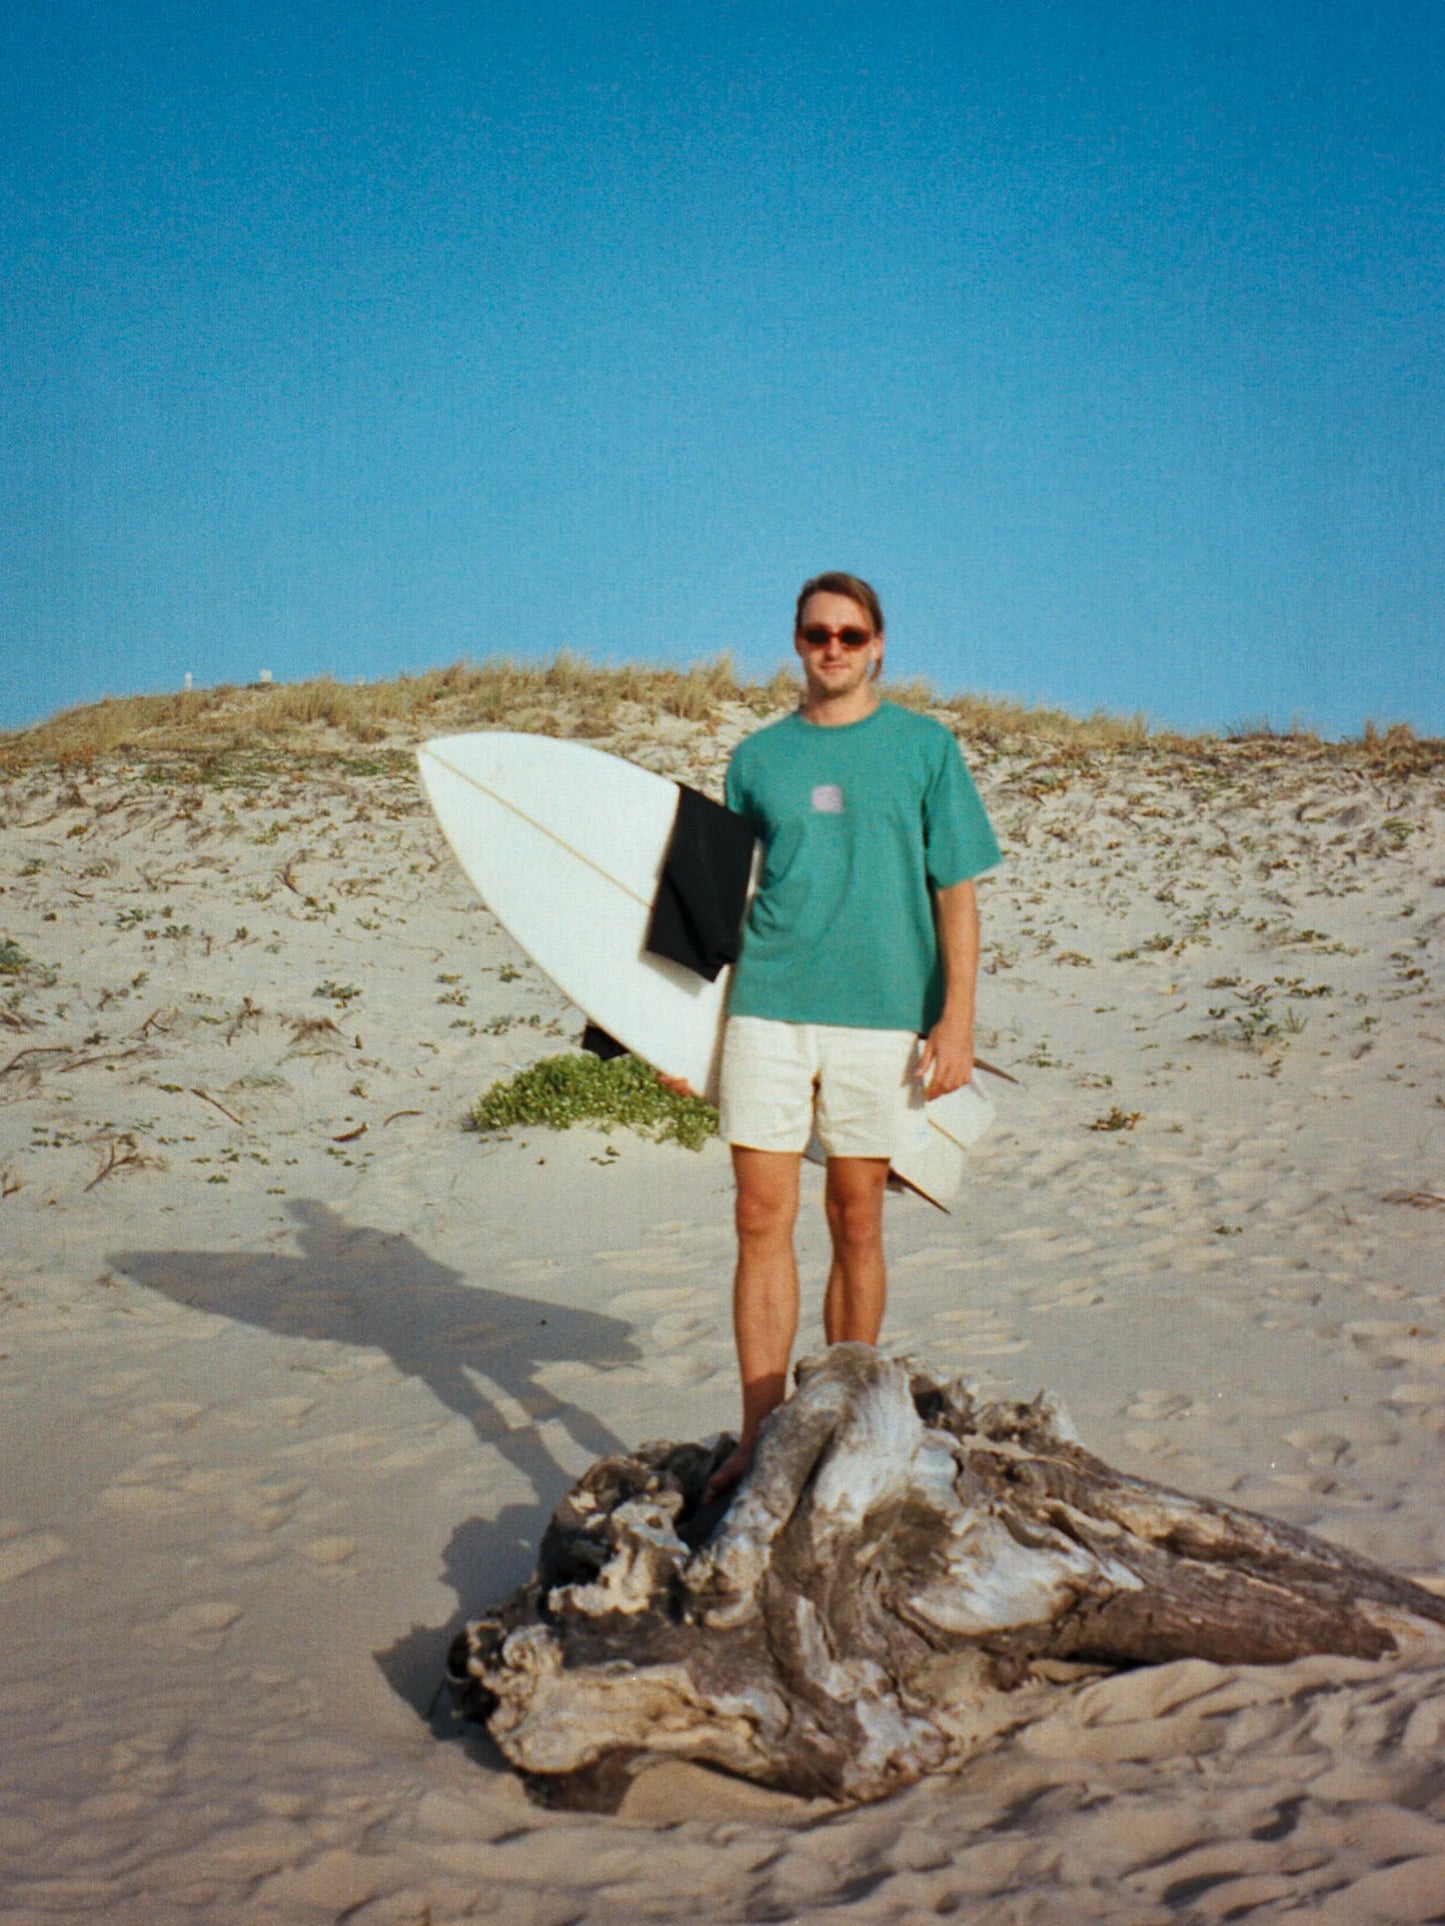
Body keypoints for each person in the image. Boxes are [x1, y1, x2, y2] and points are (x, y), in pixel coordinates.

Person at [696, 572, 1002, 1497]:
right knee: (759, 1219)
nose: (832, 648)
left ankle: (846, 1422)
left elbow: (957, 892)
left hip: (879, 1018)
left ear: (877, 645)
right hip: (769, 1010)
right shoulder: (755, 762)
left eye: (849, 635)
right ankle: (760, 1438)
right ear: (796, 643)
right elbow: (716, 909)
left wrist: (955, 1020)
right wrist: (681, 1040)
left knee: (855, 1216)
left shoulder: (923, 747)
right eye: (815, 634)